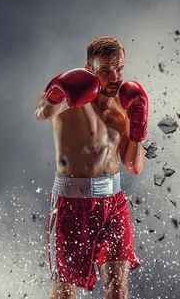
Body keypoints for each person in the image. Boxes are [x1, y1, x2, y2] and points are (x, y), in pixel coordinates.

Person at [34, 36, 147, 299]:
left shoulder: (127, 103)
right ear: (90, 70)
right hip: (73, 203)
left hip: (114, 202)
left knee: (117, 291)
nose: (115, 77)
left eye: (119, 68)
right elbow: (42, 112)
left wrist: (139, 130)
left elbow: (133, 165)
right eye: (105, 70)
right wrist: (59, 91)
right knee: (65, 294)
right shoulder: (74, 97)